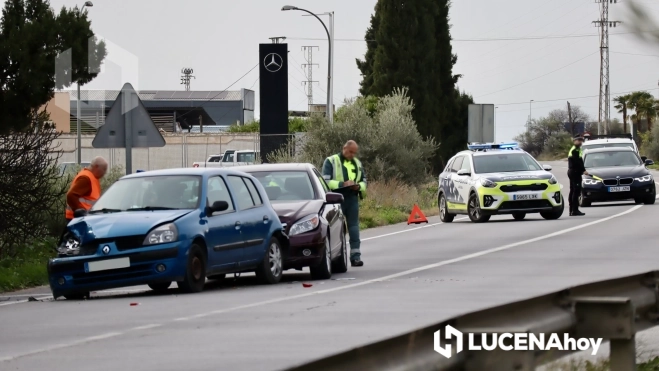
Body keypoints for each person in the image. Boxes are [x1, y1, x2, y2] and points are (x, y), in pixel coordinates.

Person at [322, 140, 367, 267]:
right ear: (344, 148)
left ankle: (356, 257)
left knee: (354, 228)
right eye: (350, 151)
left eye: (354, 152)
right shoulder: (331, 161)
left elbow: (364, 181)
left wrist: (358, 187)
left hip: (352, 198)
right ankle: (337, 257)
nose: (352, 154)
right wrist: (343, 184)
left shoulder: (357, 163)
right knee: (337, 228)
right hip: (336, 199)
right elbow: (326, 181)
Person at [64, 156, 108, 224]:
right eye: (104, 169)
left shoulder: (92, 177)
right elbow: (71, 195)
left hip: (84, 218)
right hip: (79, 219)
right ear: (96, 166)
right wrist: (80, 212)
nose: (105, 172)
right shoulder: (86, 178)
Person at [567, 135, 588, 216]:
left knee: (573, 191)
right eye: (579, 140)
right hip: (574, 172)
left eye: (581, 140)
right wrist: (583, 170)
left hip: (574, 172)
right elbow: (577, 162)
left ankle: (572, 210)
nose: (580, 142)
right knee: (576, 191)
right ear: (574, 141)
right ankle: (574, 210)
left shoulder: (577, 149)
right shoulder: (574, 150)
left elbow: (579, 161)